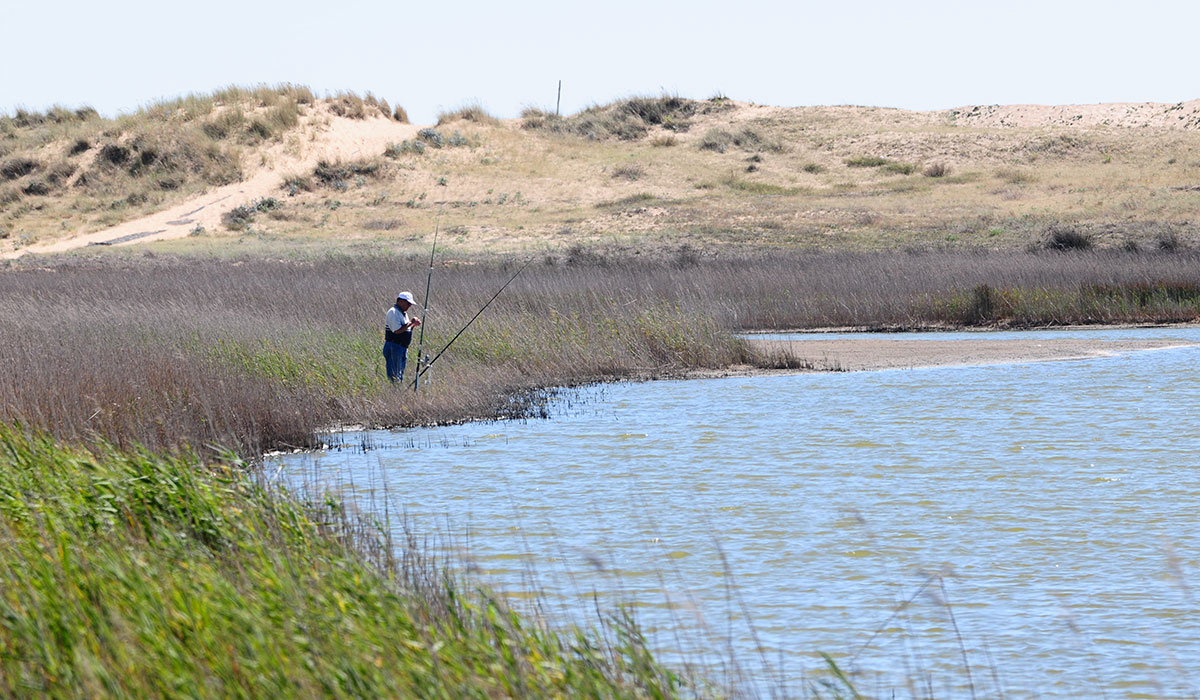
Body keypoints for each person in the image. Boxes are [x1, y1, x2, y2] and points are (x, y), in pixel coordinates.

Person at [383, 291, 421, 383]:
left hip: (401, 347)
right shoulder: (393, 312)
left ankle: (396, 392)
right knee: (395, 376)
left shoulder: (403, 313)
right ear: (401, 301)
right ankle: (394, 393)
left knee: (399, 375)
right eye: (408, 303)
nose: (409, 306)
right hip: (394, 346)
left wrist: (413, 326)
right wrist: (410, 323)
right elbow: (396, 331)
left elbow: (405, 330)